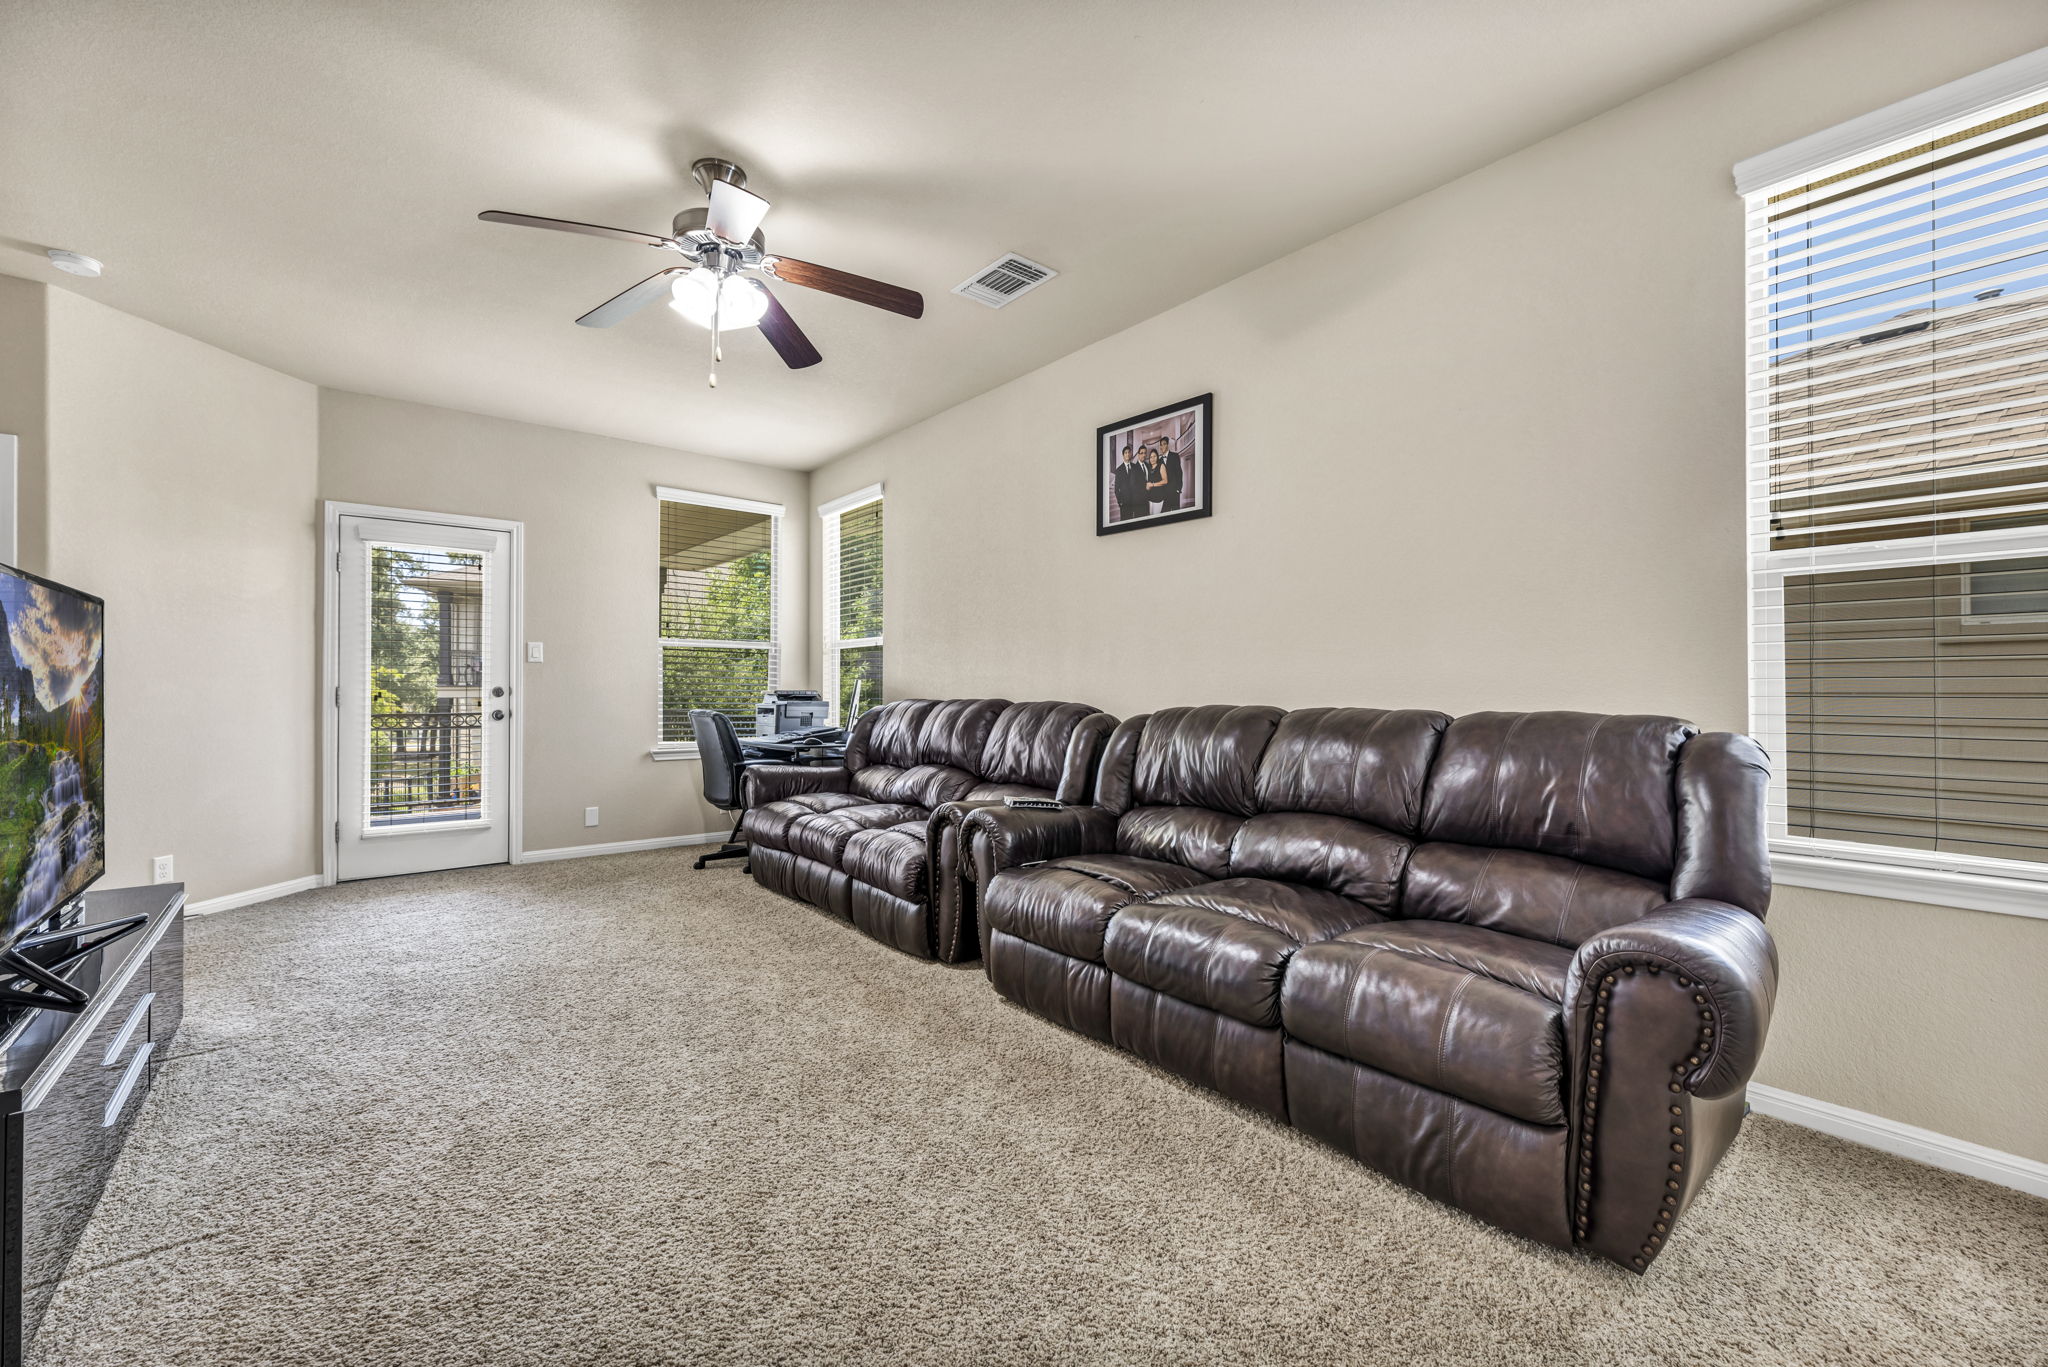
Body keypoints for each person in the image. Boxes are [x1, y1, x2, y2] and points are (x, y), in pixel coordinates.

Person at [1110, 443, 1146, 522]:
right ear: (1123, 455)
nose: (1127, 454)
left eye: (1129, 452)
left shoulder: (1135, 467)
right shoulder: (1118, 470)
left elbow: (1139, 483)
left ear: (1130, 454)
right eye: (1125, 453)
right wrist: (1120, 502)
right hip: (1125, 503)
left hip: (1135, 502)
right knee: (1125, 522)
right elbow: (1116, 489)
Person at [1155, 437, 1185, 512]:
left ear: (1167, 445)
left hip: (1174, 491)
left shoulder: (1175, 456)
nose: (1162, 446)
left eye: (1164, 444)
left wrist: (1178, 489)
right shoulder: (1159, 461)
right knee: (1164, 514)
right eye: (1161, 445)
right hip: (1164, 493)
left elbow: (1179, 472)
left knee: (1176, 514)